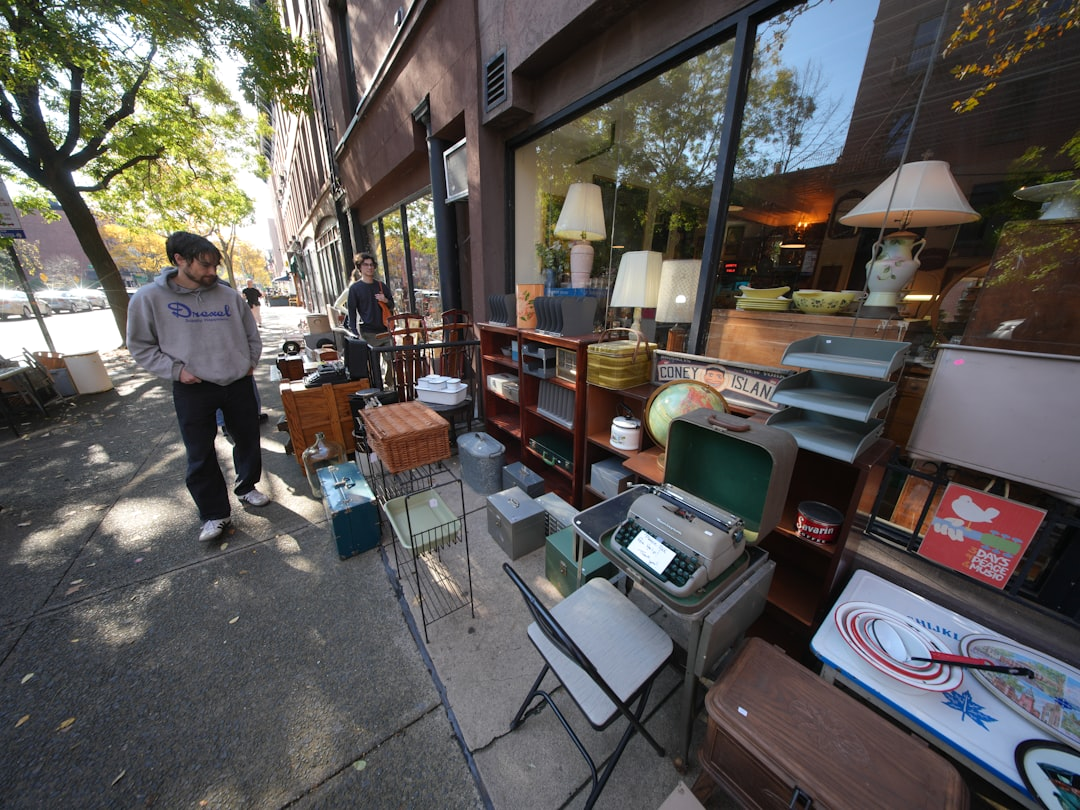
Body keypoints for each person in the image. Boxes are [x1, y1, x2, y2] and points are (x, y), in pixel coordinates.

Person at [127, 231, 270, 543]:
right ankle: (215, 513)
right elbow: (140, 346)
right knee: (200, 452)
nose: (211, 272)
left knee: (247, 439)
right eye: (204, 265)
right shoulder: (148, 299)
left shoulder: (229, 295)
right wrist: (176, 372)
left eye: (215, 266)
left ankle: (247, 487)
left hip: (237, 381)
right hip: (193, 386)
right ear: (179, 260)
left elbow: (251, 334)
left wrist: (250, 362)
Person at [347, 252, 395, 387]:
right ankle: (377, 387)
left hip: (385, 330)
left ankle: (390, 385)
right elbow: (352, 311)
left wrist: (384, 300)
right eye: (366, 265)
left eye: (372, 265)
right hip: (368, 331)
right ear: (360, 268)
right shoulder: (355, 288)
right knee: (373, 362)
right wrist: (354, 331)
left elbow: (392, 305)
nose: (369, 268)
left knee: (391, 360)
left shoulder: (381, 286)